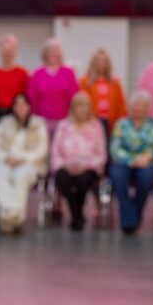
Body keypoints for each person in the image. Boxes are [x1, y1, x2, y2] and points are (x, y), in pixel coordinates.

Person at [0, 94, 49, 234]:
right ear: (13, 107)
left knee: (21, 176)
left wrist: (24, 159)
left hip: (30, 162)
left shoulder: (38, 124)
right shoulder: (4, 123)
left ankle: (9, 217)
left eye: (24, 104)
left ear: (29, 107)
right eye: (17, 104)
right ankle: (13, 215)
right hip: (6, 161)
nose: (21, 108)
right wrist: (6, 158)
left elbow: (42, 149)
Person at [108, 90, 153, 235]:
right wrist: (131, 160)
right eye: (136, 105)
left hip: (149, 163)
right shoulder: (122, 124)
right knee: (117, 174)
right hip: (125, 162)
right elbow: (115, 148)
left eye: (143, 106)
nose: (139, 109)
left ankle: (133, 214)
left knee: (146, 177)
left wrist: (147, 157)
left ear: (148, 108)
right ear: (131, 107)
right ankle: (130, 215)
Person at [50, 92, 106, 231]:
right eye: (78, 106)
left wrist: (85, 165)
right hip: (66, 165)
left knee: (84, 180)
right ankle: (77, 213)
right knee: (62, 179)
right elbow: (55, 151)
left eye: (85, 106)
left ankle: (77, 214)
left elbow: (101, 154)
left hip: (88, 167)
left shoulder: (96, 126)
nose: (81, 109)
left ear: (89, 108)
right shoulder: (63, 125)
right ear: (73, 108)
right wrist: (66, 165)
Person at [27, 38, 79, 138]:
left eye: (56, 51)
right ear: (45, 54)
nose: (53, 54)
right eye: (50, 51)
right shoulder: (37, 74)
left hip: (65, 123)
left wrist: (73, 118)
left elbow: (75, 98)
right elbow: (31, 99)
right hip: (42, 123)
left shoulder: (69, 73)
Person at [0, 34, 30, 132]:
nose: (8, 53)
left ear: (15, 52)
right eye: (5, 50)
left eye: (10, 50)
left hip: (16, 114)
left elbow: (26, 99)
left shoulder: (23, 73)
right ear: (0, 52)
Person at [79, 48, 127, 135]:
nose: (101, 64)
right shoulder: (85, 81)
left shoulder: (115, 82)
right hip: (92, 122)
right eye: (99, 61)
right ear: (93, 63)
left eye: (104, 61)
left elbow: (121, 105)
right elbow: (81, 103)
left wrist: (121, 124)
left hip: (111, 123)